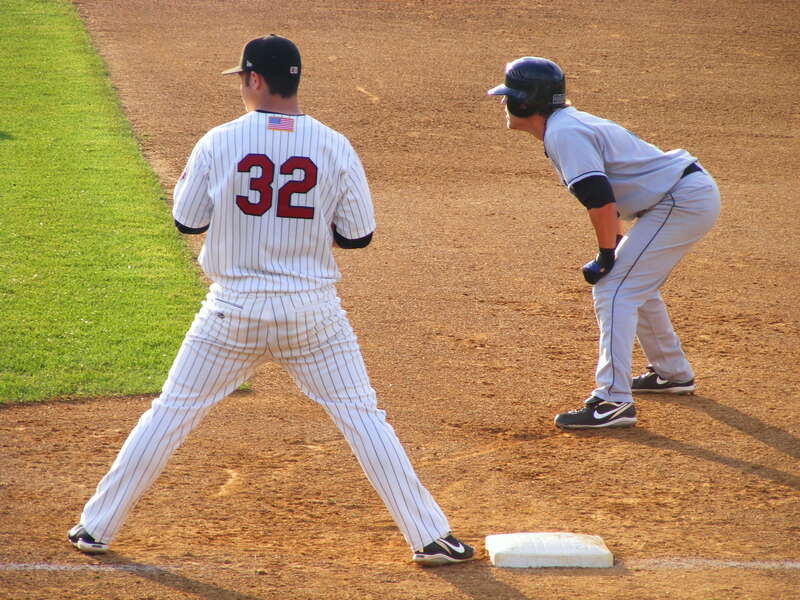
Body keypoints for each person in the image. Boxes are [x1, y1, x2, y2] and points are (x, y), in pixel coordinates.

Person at [68, 35, 474, 566]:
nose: (241, 85)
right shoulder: (335, 145)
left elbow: (187, 221)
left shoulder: (218, 141)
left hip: (230, 313)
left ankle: (95, 526)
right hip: (312, 316)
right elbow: (357, 236)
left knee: (170, 413)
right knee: (362, 417)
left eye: (242, 77)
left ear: (256, 79)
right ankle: (429, 535)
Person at [487, 57, 720, 429]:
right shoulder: (565, 125)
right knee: (633, 284)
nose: (503, 102)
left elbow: (600, 199)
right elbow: (605, 196)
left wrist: (606, 254)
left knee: (613, 288)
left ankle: (613, 400)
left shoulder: (564, 133)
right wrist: (614, 247)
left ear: (527, 102)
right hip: (679, 196)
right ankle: (671, 373)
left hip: (680, 200)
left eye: (509, 95)